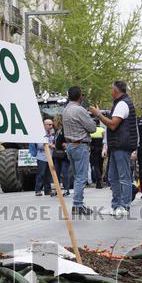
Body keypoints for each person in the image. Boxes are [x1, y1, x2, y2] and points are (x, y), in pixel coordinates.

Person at [90, 80, 137, 218]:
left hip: (122, 145)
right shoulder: (121, 103)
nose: (110, 91)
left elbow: (112, 125)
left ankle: (124, 206)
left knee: (123, 177)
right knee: (113, 177)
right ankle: (116, 205)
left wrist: (98, 114)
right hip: (117, 145)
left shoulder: (122, 104)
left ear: (116, 91)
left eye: (111, 89)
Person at [61, 86, 96, 215]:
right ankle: (78, 205)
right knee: (81, 177)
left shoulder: (65, 110)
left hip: (70, 145)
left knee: (77, 177)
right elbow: (92, 128)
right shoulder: (79, 110)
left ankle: (78, 203)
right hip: (80, 145)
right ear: (80, 96)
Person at [29, 118, 55, 197]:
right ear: (44, 125)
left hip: (49, 157)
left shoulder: (51, 133)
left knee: (48, 175)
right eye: (49, 125)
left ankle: (48, 190)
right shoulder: (40, 134)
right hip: (42, 157)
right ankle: (38, 190)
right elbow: (40, 145)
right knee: (41, 174)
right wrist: (50, 145)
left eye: (52, 125)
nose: (51, 126)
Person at [52, 116, 71, 195]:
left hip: (64, 155)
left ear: (58, 121)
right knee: (56, 172)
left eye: (54, 121)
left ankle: (66, 190)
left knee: (64, 172)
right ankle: (57, 189)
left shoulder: (64, 131)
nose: (53, 123)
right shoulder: (56, 131)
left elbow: (69, 140)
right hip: (57, 155)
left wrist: (67, 144)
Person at [90, 119, 105, 188]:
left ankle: (98, 180)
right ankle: (100, 180)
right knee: (100, 165)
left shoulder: (91, 131)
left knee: (95, 165)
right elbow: (104, 140)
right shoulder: (102, 130)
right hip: (101, 149)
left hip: (93, 150)